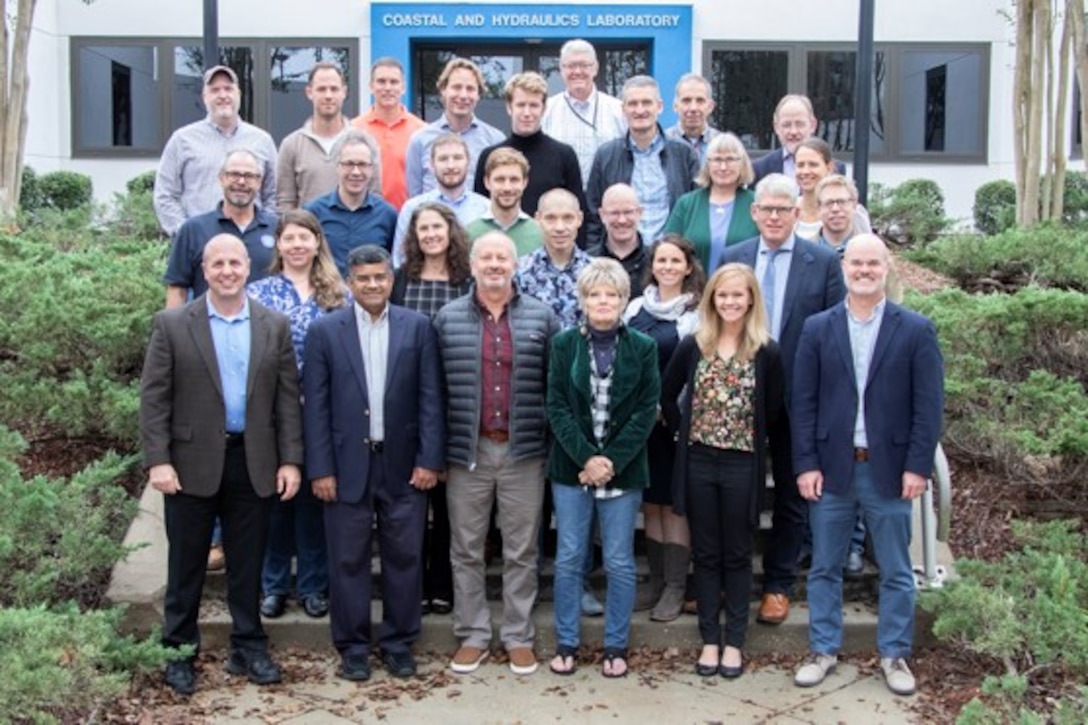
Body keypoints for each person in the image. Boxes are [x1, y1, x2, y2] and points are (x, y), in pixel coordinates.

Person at [140, 235, 303, 696]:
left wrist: (291, 460)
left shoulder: (274, 325)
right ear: (204, 270)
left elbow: (287, 401)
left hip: (253, 463)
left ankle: (248, 645)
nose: (228, 270)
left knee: (248, 565)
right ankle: (178, 652)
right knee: (186, 565)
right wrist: (159, 461)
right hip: (189, 465)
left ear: (247, 267)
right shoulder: (173, 324)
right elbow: (154, 400)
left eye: (235, 262)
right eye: (218, 264)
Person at [791, 234, 944, 697]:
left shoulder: (915, 329)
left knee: (896, 569)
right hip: (833, 468)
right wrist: (806, 464)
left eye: (872, 263)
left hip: (892, 470)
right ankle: (823, 649)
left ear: (886, 267)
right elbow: (803, 403)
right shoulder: (818, 328)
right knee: (824, 567)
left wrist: (918, 466)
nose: (864, 270)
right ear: (843, 268)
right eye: (856, 262)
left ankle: (895, 653)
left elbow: (928, 406)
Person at [302, 244, 445, 682]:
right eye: (363, 278)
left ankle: (399, 642)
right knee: (348, 559)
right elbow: (316, 408)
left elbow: (431, 399)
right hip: (346, 466)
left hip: (403, 465)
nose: (372, 285)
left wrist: (429, 459)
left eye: (380, 277)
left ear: (391, 279)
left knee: (405, 556)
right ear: (350, 282)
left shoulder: (417, 327)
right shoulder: (326, 331)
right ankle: (353, 647)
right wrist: (321, 468)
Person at [433, 231, 559, 677]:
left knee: (521, 549)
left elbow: (555, 386)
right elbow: (436, 392)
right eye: (485, 257)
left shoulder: (542, 318)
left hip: (523, 451)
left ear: (515, 264)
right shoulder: (447, 319)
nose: (493, 264)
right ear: (472, 266)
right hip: (468, 452)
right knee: (466, 547)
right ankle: (473, 634)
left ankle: (518, 637)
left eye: (502, 257)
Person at [721, 173, 845, 626]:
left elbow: (835, 335)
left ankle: (777, 585)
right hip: (738, 397)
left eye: (783, 209)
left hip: (799, 399)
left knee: (793, 495)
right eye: (766, 209)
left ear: (798, 212)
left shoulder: (823, 261)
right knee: (738, 492)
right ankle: (726, 580)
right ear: (754, 212)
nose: (774, 217)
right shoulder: (734, 258)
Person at [662, 263, 785, 679]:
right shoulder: (695, 344)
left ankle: (734, 641)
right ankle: (709, 641)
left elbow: (772, 410)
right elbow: (666, 393)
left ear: (751, 299)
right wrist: (683, 432)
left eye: (738, 295)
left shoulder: (766, 350)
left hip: (741, 462)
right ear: (712, 299)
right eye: (722, 295)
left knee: (736, 554)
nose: (730, 302)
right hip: (698, 460)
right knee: (707, 553)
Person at [546, 258, 660, 679]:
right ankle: (566, 643)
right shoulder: (563, 345)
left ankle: (616, 646)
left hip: (622, 472)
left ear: (623, 299)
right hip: (572, 471)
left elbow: (647, 410)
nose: (603, 301)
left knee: (619, 560)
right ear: (584, 300)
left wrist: (609, 461)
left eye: (611, 294)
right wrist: (586, 459)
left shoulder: (643, 348)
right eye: (595, 294)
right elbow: (556, 405)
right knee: (570, 556)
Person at [247, 210, 347, 621]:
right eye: (290, 238)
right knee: (275, 501)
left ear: (317, 242)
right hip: (273, 413)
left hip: (323, 412)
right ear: (279, 244)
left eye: (305, 237)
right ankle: (273, 586)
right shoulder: (259, 292)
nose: (298, 245)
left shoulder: (339, 294)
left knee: (313, 501)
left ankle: (313, 585)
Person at [391, 203, 473, 616]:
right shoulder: (402, 279)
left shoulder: (466, 279)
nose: (430, 235)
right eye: (423, 228)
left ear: (450, 230)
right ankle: (413, 585)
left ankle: (442, 584)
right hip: (407, 398)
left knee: (447, 504)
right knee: (411, 501)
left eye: (437, 227)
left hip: (455, 395)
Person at [622, 234, 704, 621]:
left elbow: (696, 372)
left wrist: (672, 409)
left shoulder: (696, 313)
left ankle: (675, 585)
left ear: (688, 267)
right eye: (661, 260)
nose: (667, 267)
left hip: (675, 421)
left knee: (674, 505)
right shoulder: (636, 307)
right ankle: (655, 581)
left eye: (675, 261)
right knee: (651, 502)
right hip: (641, 424)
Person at [154, 65, 277, 238]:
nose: (223, 95)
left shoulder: (262, 141)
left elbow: (273, 195)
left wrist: (264, 232)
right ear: (205, 97)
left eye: (228, 89)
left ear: (239, 94)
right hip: (199, 244)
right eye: (215, 90)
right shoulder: (182, 140)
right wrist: (185, 233)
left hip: (249, 243)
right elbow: (164, 194)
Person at [586, 76, 698, 248]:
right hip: (620, 256)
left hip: (669, 258)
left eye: (646, 103)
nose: (640, 110)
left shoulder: (683, 154)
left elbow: (694, 211)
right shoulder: (606, 155)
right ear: (623, 109)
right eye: (632, 104)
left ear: (659, 106)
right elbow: (593, 215)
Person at [164, 149, 277, 309]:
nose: (241, 182)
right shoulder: (193, 229)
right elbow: (177, 289)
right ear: (221, 179)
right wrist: (173, 332)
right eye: (234, 174)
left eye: (249, 176)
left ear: (259, 182)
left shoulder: (277, 229)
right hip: (206, 330)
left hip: (265, 331)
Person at [474, 72, 587, 222]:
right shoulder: (490, 157)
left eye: (533, 105)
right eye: (521, 105)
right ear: (509, 107)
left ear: (544, 108)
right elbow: (480, 212)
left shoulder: (564, 155)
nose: (527, 113)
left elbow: (578, 213)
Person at [277, 62, 380, 211]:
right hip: (308, 232)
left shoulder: (365, 142)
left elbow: (375, 195)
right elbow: (285, 202)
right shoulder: (292, 145)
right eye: (321, 89)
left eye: (334, 89)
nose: (328, 95)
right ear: (309, 92)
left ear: (344, 92)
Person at [405, 57, 505, 197]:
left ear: (478, 95)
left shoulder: (495, 140)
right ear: (443, 90)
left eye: (470, 89)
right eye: (456, 87)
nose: (463, 95)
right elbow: (414, 196)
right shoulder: (420, 140)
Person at [663, 132, 759, 273]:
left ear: (742, 163)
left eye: (730, 159)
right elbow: (668, 249)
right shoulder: (687, 204)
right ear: (707, 164)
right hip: (694, 291)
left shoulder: (756, 204)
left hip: (740, 291)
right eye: (717, 160)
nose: (723, 167)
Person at [305, 131, 397, 275]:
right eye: (349, 164)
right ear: (337, 166)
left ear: (372, 169)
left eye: (362, 164)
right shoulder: (313, 212)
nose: (356, 172)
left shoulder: (388, 215)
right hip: (326, 295)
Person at [541, 39, 626, 190]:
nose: (577, 72)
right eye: (571, 66)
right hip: (560, 202)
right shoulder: (546, 110)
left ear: (596, 68)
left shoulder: (618, 110)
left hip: (606, 201)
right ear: (561, 69)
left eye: (584, 65)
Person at [393, 133, 490, 265]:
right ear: (432, 165)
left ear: (468, 162)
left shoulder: (485, 208)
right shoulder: (412, 208)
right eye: (443, 159)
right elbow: (400, 260)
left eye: (457, 158)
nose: (450, 165)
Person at [352, 57, 426, 211]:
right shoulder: (354, 130)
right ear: (371, 86)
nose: (387, 87)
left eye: (393, 82)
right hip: (366, 218)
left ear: (403, 87)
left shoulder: (422, 131)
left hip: (409, 219)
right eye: (381, 81)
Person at [517, 188, 593, 329]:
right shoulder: (520, 271)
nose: (559, 227)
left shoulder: (594, 272)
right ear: (538, 220)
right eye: (551, 218)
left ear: (580, 219)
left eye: (568, 218)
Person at [465, 147, 545, 257]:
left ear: (525, 182)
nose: (507, 188)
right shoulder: (468, 234)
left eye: (514, 180)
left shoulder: (541, 234)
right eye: (500, 180)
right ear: (487, 182)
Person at [751, 94, 845, 186]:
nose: (793, 132)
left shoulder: (836, 168)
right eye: (786, 125)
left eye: (799, 124)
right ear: (776, 127)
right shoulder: (760, 169)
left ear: (813, 125)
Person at [793, 138, 871, 242]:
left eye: (813, 164)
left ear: (829, 167)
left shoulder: (852, 211)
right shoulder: (788, 209)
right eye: (800, 165)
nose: (805, 171)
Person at [588, 184, 650, 300]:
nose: (622, 220)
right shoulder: (587, 262)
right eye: (614, 213)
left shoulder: (655, 262)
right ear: (602, 215)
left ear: (640, 213)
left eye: (628, 212)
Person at [664, 74, 721, 164]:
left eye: (700, 101)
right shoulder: (661, 144)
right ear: (675, 106)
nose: (693, 108)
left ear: (710, 106)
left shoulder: (722, 144)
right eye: (686, 101)